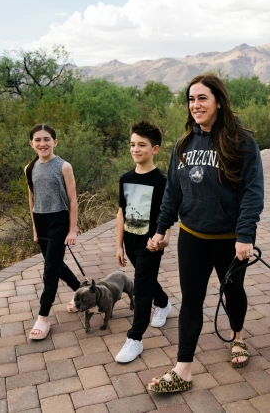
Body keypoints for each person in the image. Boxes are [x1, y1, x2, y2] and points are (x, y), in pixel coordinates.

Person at [146, 74, 264, 393]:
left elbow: (253, 192)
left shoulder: (241, 142)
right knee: (191, 301)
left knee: (233, 293)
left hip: (229, 241)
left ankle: (237, 336)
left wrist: (245, 234)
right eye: (191, 99)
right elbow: (173, 192)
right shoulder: (184, 144)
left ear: (218, 102)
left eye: (202, 98)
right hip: (192, 238)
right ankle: (183, 369)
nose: (195, 105)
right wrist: (161, 229)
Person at [114, 121, 173, 363]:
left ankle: (135, 338)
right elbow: (121, 211)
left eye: (142, 145)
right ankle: (164, 303)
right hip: (130, 241)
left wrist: (164, 241)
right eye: (132, 144)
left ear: (155, 149)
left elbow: (166, 216)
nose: (135, 149)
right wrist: (119, 245)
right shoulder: (125, 178)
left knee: (140, 287)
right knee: (146, 281)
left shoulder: (162, 181)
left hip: (151, 243)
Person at [25, 123, 81, 340]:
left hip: (59, 219)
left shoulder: (63, 166)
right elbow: (31, 199)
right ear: (31, 144)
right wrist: (33, 227)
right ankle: (81, 291)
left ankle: (43, 317)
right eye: (37, 140)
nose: (42, 143)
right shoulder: (29, 168)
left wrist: (73, 229)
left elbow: (73, 200)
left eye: (46, 139)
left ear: (55, 142)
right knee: (56, 263)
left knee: (50, 270)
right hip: (40, 220)